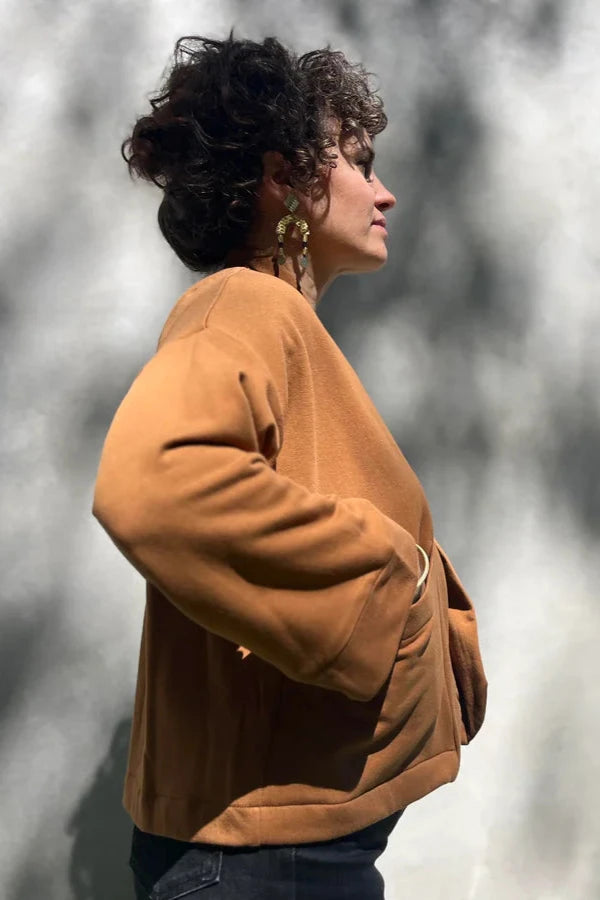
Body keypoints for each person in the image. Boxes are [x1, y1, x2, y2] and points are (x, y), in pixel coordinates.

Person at [92, 31, 488, 900]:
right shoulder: (241, 304)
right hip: (263, 868)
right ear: (286, 180)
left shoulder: (278, 327)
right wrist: (391, 580)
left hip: (280, 857)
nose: (385, 191)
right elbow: (151, 487)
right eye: (358, 161)